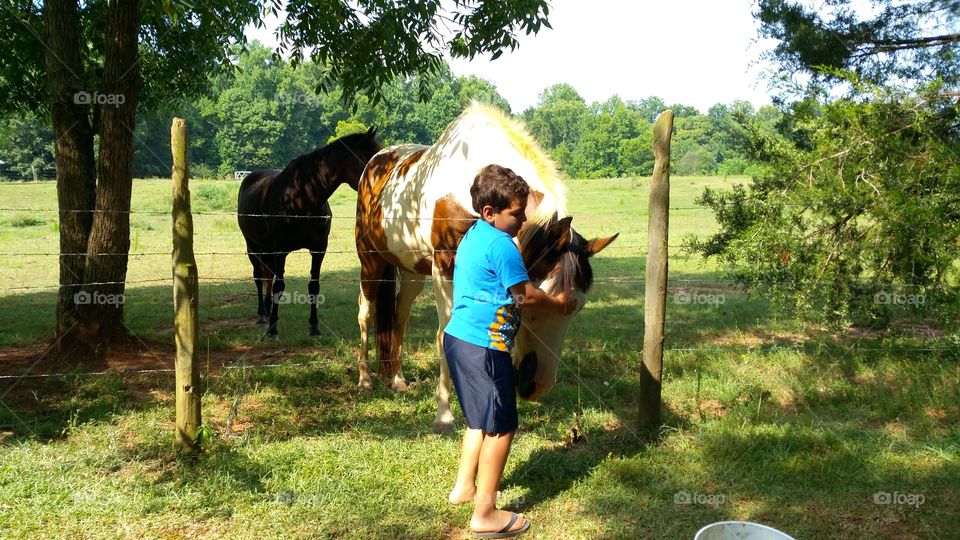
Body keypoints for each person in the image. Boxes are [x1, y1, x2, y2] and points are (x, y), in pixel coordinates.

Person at [443, 164, 578, 538]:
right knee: (502, 428)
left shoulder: (473, 235)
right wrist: (559, 303)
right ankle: (485, 513)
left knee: (479, 422)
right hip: (486, 348)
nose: (522, 223)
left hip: (458, 339)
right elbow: (524, 294)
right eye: (516, 215)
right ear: (490, 212)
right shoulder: (502, 246)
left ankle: (464, 488)